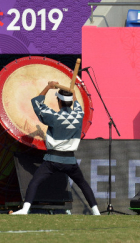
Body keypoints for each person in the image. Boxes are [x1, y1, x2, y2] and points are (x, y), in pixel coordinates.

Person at [11, 82, 100, 216]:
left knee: (35, 182)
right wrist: (72, 93)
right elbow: (76, 104)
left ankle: (25, 209)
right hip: (70, 161)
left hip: (53, 160)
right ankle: (96, 212)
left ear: (58, 101)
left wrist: (48, 87)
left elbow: (36, 103)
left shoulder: (54, 117)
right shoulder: (79, 115)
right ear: (71, 102)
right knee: (83, 184)